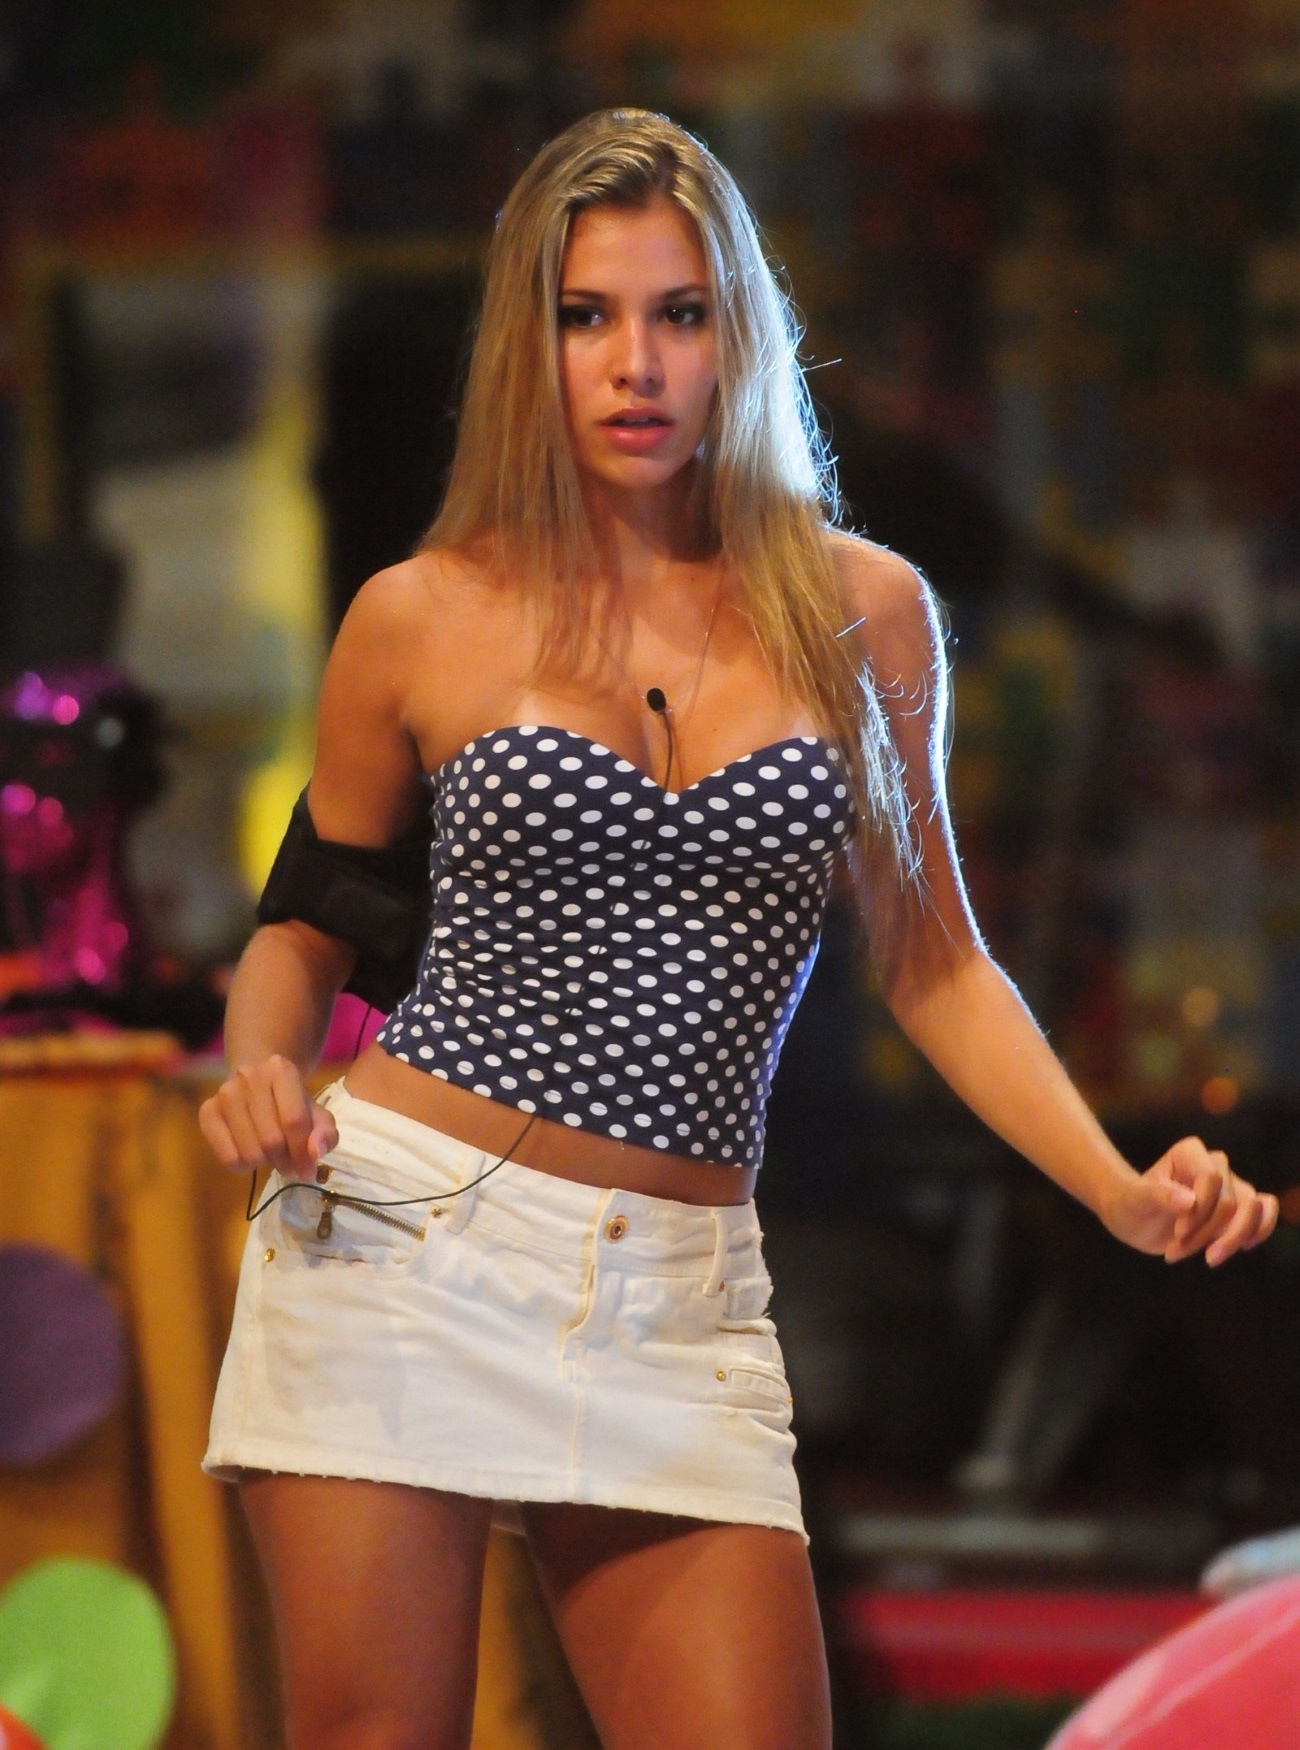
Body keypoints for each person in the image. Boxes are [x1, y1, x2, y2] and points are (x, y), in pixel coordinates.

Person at [199, 110, 1278, 1750]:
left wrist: (1118, 1191)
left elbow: (937, 961)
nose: (635, 362)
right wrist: (262, 1068)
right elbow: (306, 925)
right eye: (588, 315)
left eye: (680, 313)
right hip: (400, 1245)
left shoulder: (864, 614)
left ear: (741, 335)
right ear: (531, 343)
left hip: (679, 1293)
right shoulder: (422, 614)